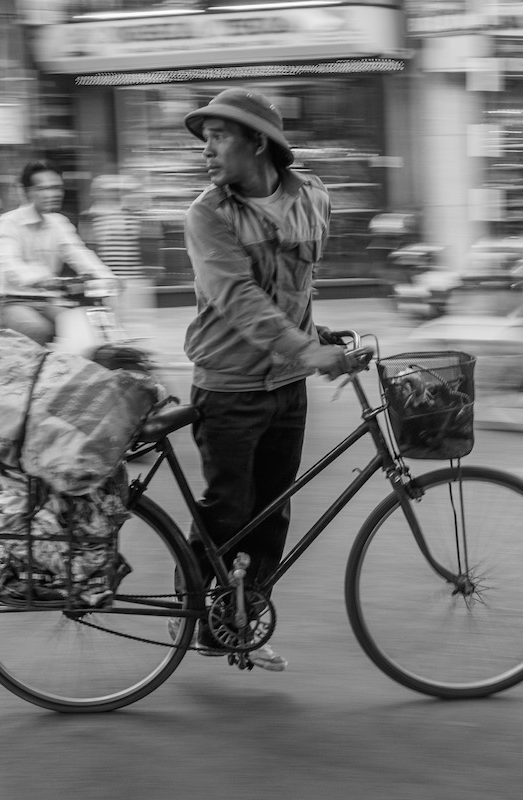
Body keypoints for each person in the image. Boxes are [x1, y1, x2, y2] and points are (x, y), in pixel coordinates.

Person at [177, 88, 350, 672]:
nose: (207, 150)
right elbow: (239, 300)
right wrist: (305, 347)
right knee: (230, 511)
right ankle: (198, 615)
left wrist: (315, 337)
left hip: (287, 385)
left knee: (272, 516)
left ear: (259, 142)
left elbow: (296, 285)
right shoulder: (208, 214)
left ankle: (242, 622)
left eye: (219, 137)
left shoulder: (314, 197)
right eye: (205, 139)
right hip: (229, 387)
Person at [0, 162, 117, 344]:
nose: (53, 194)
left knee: (84, 329)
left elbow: (79, 253)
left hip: (50, 301)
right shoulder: (7, 223)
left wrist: (106, 277)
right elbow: (9, 264)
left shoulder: (59, 223)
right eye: (43, 189)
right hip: (13, 303)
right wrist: (40, 278)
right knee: (39, 330)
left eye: (57, 188)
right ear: (26, 192)